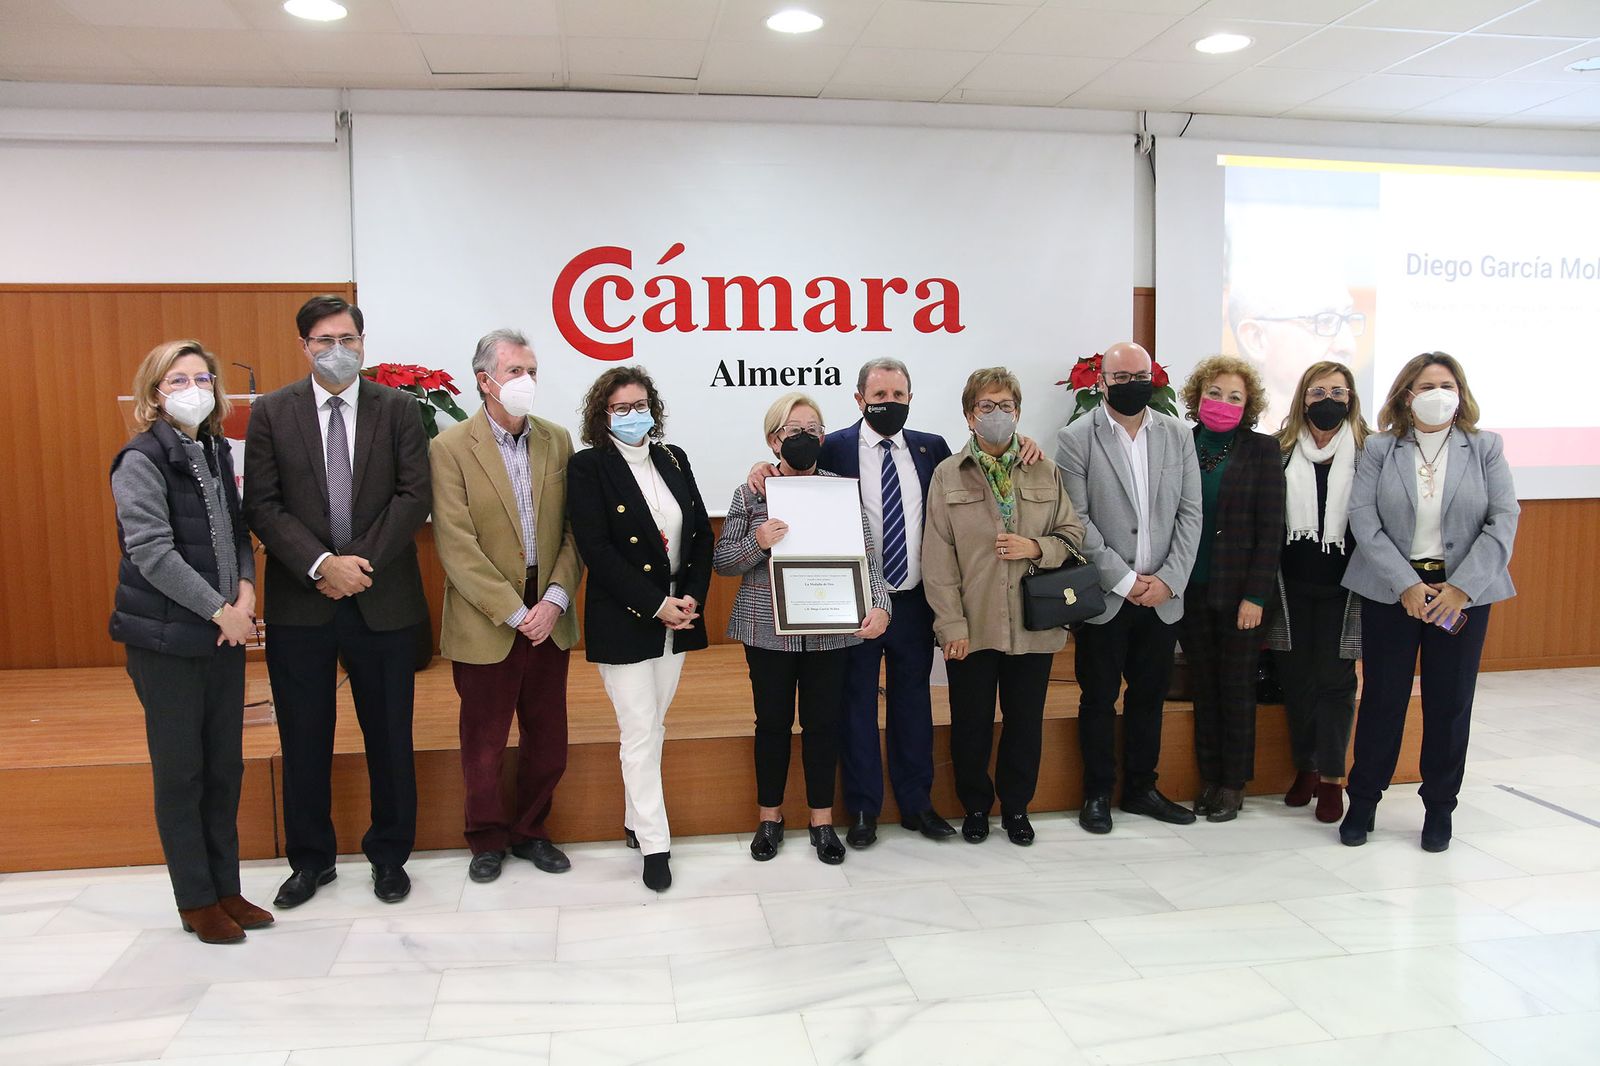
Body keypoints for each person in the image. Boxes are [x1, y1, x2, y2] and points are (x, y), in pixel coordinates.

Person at [743, 361, 1044, 849]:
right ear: (859, 399)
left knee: (913, 702)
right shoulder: (834, 445)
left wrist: (1027, 443)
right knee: (856, 704)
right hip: (853, 601)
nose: (890, 400)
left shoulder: (932, 448)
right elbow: (788, 473)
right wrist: (759, 467)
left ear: (911, 397)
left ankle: (917, 804)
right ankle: (863, 808)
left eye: (899, 392)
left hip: (917, 598)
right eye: (879, 392)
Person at [244, 295, 432, 907]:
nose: (338, 350)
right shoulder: (272, 412)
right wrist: (324, 565)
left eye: (348, 338)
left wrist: (355, 565)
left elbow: (412, 496)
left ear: (363, 343)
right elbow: (263, 506)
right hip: (303, 603)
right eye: (324, 340)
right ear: (304, 346)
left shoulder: (400, 409)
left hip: (382, 599)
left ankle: (389, 856)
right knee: (304, 737)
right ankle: (310, 860)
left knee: (388, 736)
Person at [110, 340, 272, 944]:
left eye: (201, 378)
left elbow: (235, 532)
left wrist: (248, 592)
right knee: (182, 773)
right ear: (155, 393)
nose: (192, 388)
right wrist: (218, 610)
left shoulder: (211, 450)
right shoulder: (140, 459)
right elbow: (151, 552)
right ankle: (196, 900)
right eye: (177, 380)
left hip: (223, 635)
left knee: (223, 768)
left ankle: (225, 886)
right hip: (167, 640)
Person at [1339, 353, 1518, 852]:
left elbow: (1503, 518)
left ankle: (1440, 808)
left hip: (1462, 593)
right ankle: (1364, 802)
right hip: (1393, 590)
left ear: (1460, 391)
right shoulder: (1380, 448)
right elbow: (1364, 519)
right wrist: (1406, 585)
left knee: (1450, 703)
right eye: (1425, 385)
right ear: (1406, 395)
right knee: (1382, 701)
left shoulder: (1485, 447)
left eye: (1446, 383)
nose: (1437, 393)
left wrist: (1460, 589)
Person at [430, 329, 582, 885]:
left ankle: (532, 831)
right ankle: (487, 837)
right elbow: (455, 544)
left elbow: (573, 531)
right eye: (515, 371)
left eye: (532, 371)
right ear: (484, 380)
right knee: (485, 744)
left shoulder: (558, 440)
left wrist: (555, 600)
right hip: (486, 616)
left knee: (548, 740)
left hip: (550, 611)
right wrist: (515, 612)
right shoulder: (449, 448)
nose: (527, 382)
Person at [714, 393, 891, 865]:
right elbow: (724, 562)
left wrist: (882, 605)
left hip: (830, 628)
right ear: (774, 439)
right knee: (771, 724)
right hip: (767, 632)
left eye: (814, 429)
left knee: (823, 726)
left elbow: (866, 557)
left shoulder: (839, 490)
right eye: (794, 430)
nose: (806, 437)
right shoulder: (751, 492)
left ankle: (821, 820)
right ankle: (769, 818)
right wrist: (757, 541)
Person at [924, 367, 1086, 846]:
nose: (997, 415)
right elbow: (938, 558)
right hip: (971, 627)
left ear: (1018, 411)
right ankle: (975, 806)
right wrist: (951, 625)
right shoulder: (947, 474)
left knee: (1025, 723)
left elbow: (1072, 536)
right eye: (986, 407)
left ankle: (1017, 808)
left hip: (1033, 625)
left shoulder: (1044, 468)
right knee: (970, 724)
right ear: (970, 415)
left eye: (1006, 406)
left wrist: (1035, 548)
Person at [567, 366, 712, 892]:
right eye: (621, 408)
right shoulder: (588, 468)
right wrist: (656, 605)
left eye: (641, 404)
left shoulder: (674, 459)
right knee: (640, 728)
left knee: (656, 723)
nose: (634, 415)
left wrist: (691, 595)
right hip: (627, 618)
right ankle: (656, 843)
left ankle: (634, 819)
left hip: (680, 613)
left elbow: (699, 535)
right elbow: (598, 551)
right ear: (602, 415)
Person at [1055, 340, 1202, 835]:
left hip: (1162, 596)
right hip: (1107, 597)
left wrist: (1169, 580)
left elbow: (1190, 512)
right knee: (1097, 698)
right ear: (1101, 382)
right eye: (1120, 377)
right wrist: (1123, 578)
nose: (1130, 384)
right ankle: (1097, 793)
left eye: (1139, 375)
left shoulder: (1178, 435)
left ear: (1153, 377)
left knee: (1149, 696)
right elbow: (1077, 520)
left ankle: (1142, 788)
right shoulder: (1076, 438)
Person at [1176, 356, 1285, 822]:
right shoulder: (1180, 443)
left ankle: (1233, 784)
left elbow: (1270, 530)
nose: (1222, 402)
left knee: (1236, 688)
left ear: (1249, 405)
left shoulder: (1261, 451)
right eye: (1215, 393)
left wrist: (1256, 596)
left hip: (1241, 595)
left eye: (1235, 396)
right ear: (1198, 396)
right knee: (1204, 687)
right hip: (1187, 589)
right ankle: (1208, 778)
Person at [1267, 360, 1369, 824]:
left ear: (1351, 399)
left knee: (1336, 684)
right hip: (1289, 589)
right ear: (1302, 397)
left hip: (1346, 590)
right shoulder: (1279, 449)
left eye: (1338, 393)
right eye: (1317, 392)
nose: (1327, 401)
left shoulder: (1371, 451)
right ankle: (1304, 767)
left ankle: (1332, 779)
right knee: (1296, 683)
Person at [1229, 259, 1366, 433]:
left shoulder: (1367, 448)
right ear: (1256, 339)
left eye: (1347, 318)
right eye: (1325, 321)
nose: (1347, 346)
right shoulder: (1238, 444)